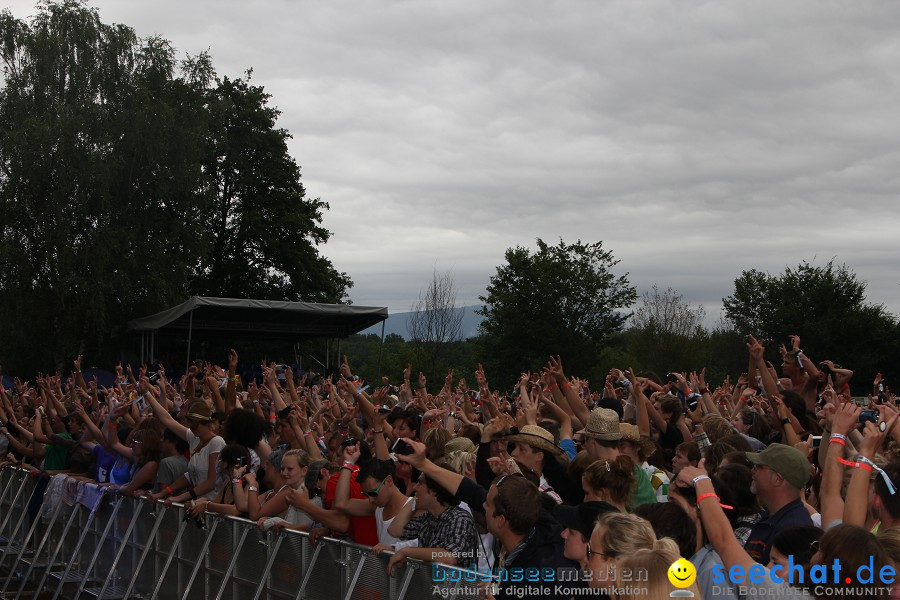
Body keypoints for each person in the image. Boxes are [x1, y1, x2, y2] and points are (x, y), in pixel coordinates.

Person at [743, 443, 813, 563]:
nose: (752, 470)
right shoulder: (774, 516)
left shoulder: (793, 529)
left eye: (758, 466)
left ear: (777, 479)